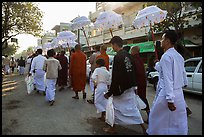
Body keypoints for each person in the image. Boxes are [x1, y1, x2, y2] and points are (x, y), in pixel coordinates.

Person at [146, 30, 188, 135]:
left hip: (167, 93)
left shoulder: (166, 57)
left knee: (155, 117)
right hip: (178, 93)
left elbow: (168, 78)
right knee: (177, 121)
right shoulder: (178, 56)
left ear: (168, 41)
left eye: (163, 39)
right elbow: (181, 74)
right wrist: (157, 64)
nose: (161, 41)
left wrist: (170, 99)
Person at [103, 36, 146, 134]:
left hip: (121, 88)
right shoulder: (128, 55)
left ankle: (112, 128)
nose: (112, 47)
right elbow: (134, 71)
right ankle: (143, 129)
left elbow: (116, 76)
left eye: (112, 45)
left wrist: (110, 92)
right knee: (133, 109)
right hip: (129, 87)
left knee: (113, 108)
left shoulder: (118, 57)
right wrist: (134, 85)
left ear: (114, 44)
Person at [131, 46, 150, 123]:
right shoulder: (139, 59)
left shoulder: (135, 59)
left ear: (134, 51)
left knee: (141, 98)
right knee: (140, 98)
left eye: (131, 51)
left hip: (138, 82)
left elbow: (137, 72)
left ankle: (149, 114)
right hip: (142, 81)